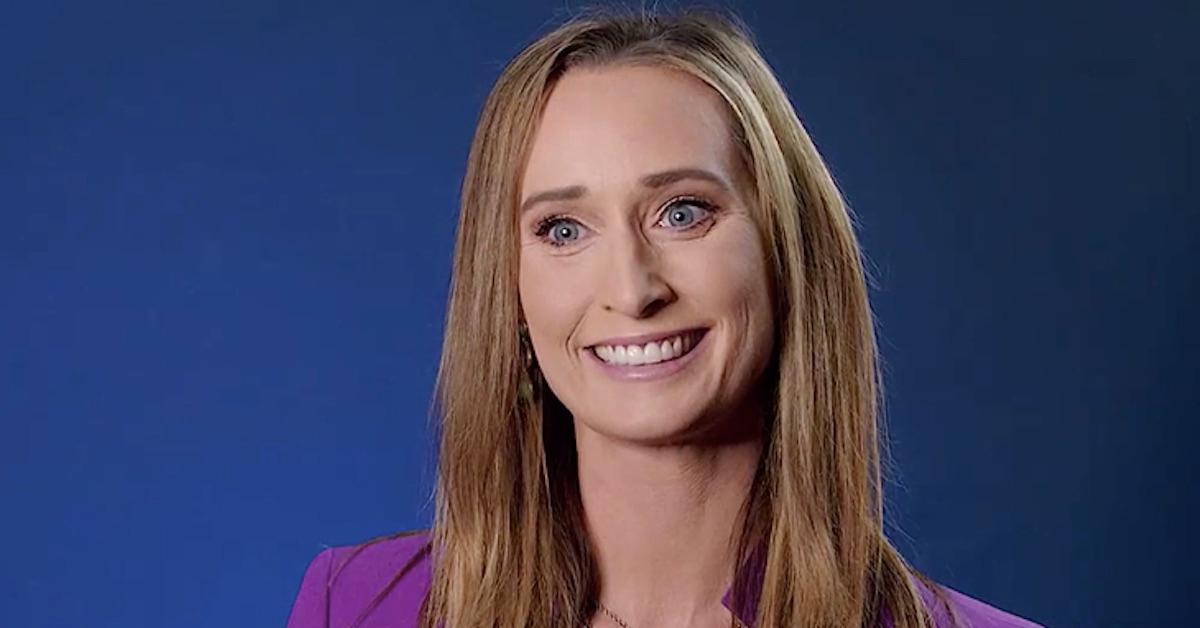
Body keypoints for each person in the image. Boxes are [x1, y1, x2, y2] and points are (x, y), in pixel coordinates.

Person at [286, 7, 1043, 628]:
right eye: (563, 229)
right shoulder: (355, 606)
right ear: (509, 293)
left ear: (787, 251)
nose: (632, 287)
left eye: (683, 212)